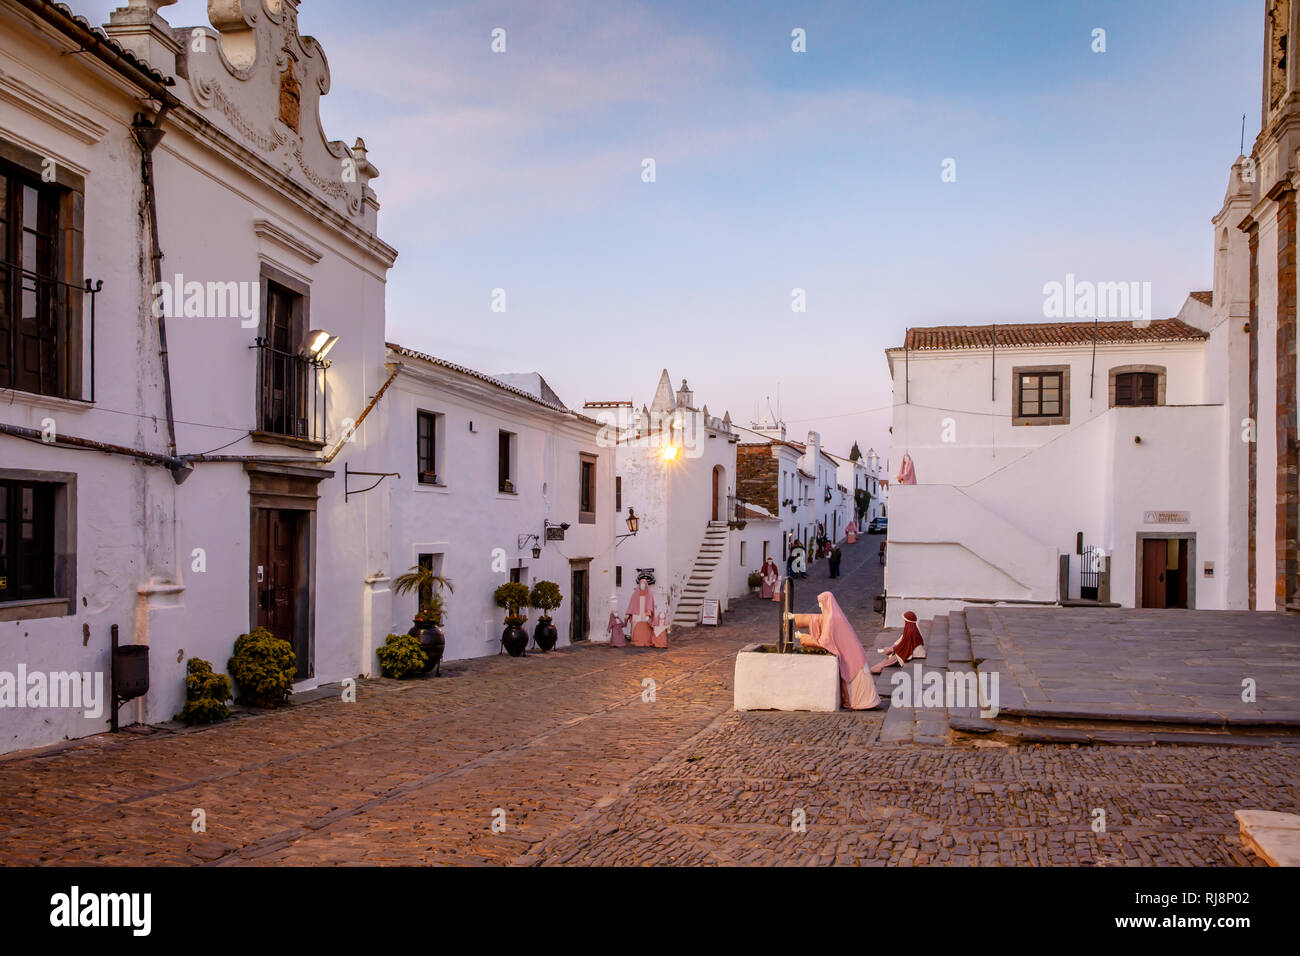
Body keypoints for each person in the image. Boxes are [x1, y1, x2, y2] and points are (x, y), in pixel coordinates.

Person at [793, 591, 880, 710]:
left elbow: (824, 642)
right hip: (854, 652)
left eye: (820, 603)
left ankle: (858, 702)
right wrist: (794, 617)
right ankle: (866, 700)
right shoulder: (834, 615)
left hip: (850, 656)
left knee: (854, 680)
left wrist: (803, 637)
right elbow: (818, 619)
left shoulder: (832, 619)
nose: (819, 606)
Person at [870, 609, 926, 674]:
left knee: (893, 657)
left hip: (915, 652)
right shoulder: (911, 627)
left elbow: (905, 645)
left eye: (904, 620)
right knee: (892, 653)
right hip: (910, 649)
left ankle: (878, 668)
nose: (904, 622)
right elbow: (901, 640)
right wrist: (891, 647)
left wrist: (892, 649)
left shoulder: (911, 631)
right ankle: (879, 666)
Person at [627, 574, 656, 647]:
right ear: (639, 585)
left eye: (644, 584)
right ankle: (636, 641)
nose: (642, 586)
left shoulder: (649, 594)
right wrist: (629, 613)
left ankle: (646, 641)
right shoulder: (635, 594)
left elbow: (650, 604)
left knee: (646, 626)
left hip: (645, 613)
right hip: (636, 614)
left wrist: (648, 613)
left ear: (646, 585)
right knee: (636, 626)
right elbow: (632, 604)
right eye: (641, 584)